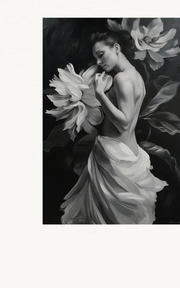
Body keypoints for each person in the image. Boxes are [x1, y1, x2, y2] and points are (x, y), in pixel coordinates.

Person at [60, 30, 168, 224]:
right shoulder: (135, 76)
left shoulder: (122, 79)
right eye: (96, 58)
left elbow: (124, 122)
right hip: (129, 153)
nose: (99, 62)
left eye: (101, 54)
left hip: (115, 157)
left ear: (116, 48)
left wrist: (100, 95)